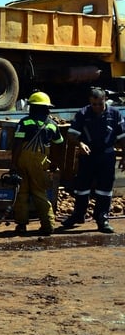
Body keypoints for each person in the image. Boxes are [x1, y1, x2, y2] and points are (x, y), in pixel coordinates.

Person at [60, 87, 125, 233]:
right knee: (82, 187)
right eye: (93, 104)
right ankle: (78, 215)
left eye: (99, 104)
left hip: (107, 156)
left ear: (105, 100)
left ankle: (102, 218)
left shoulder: (114, 114)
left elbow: (122, 137)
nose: (96, 107)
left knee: (105, 189)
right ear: (90, 102)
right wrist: (80, 144)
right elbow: (71, 135)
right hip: (88, 156)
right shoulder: (83, 113)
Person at [10, 91, 64, 235]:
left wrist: (13, 164)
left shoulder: (24, 122)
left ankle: (21, 225)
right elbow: (59, 146)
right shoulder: (53, 126)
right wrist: (55, 164)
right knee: (40, 193)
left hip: (22, 160)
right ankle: (48, 225)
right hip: (40, 162)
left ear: (31, 107)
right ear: (47, 108)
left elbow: (17, 145)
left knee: (22, 193)